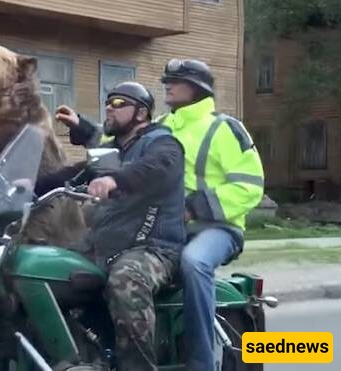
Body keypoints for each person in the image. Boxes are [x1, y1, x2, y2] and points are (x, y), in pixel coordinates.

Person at [58, 61, 265, 371]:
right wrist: (84, 128)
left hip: (214, 227)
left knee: (194, 263)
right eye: (167, 80)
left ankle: (201, 362)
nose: (167, 84)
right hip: (161, 225)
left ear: (198, 87)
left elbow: (250, 186)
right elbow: (120, 145)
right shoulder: (165, 124)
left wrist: (194, 208)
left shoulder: (224, 128)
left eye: (176, 81)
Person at [36, 82, 186, 371]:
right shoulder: (111, 151)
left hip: (153, 247)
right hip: (107, 244)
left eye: (118, 103)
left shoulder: (163, 143)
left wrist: (116, 180)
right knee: (41, 270)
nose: (109, 108)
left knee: (125, 280)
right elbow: (77, 173)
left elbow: (155, 168)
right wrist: (29, 187)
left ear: (141, 113)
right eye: (108, 102)